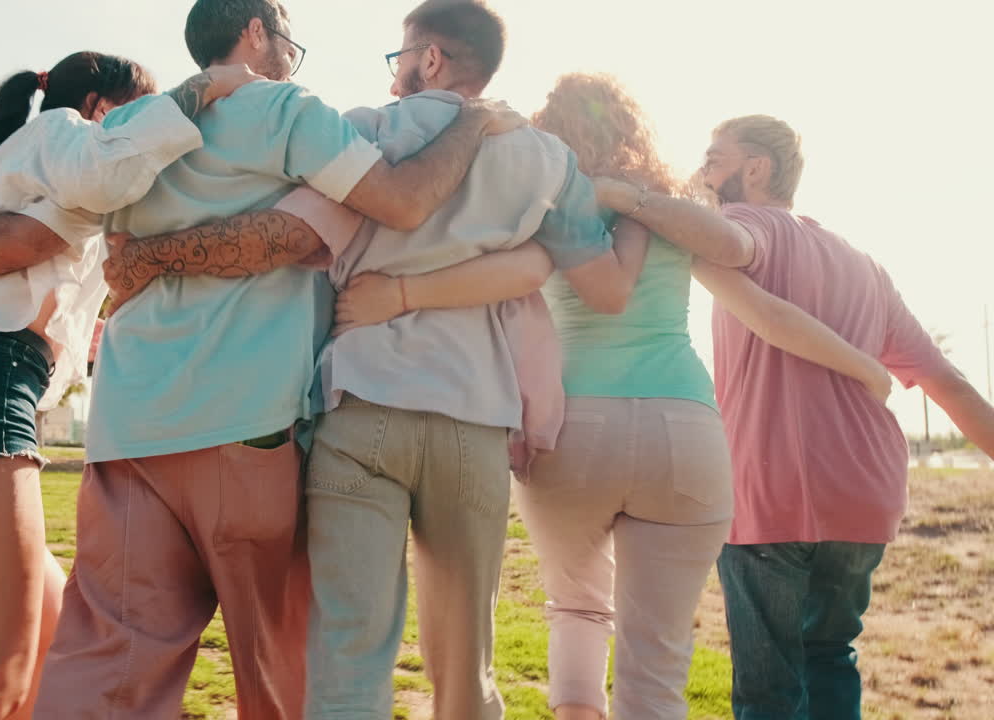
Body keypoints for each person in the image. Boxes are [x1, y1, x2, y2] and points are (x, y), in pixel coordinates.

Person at [0, 1, 525, 717]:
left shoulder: (124, 128)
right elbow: (401, 203)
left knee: (107, 667)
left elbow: (45, 230)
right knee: (280, 670)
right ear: (257, 32)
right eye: (289, 39)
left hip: (128, 431)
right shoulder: (288, 110)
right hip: (248, 427)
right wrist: (471, 118)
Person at [333, 73, 892, 720]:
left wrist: (393, 297)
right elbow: (765, 310)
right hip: (684, 433)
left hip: (574, 431)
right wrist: (866, 370)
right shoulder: (668, 213)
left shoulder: (540, 201)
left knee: (576, 608)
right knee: (656, 658)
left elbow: (498, 276)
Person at [0, 52, 259, 720]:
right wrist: (206, 88)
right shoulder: (65, 134)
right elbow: (103, 174)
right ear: (100, 106)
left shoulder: (35, 177)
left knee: (52, 653)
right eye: (133, 111)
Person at [593, 114, 994, 719]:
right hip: (864, 494)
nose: (702, 169)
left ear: (757, 168)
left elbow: (726, 246)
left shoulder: (746, 223)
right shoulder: (866, 266)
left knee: (769, 688)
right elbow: (951, 384)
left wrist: (630, 197)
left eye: (714, 156)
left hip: (774, 493)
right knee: (831, 656)